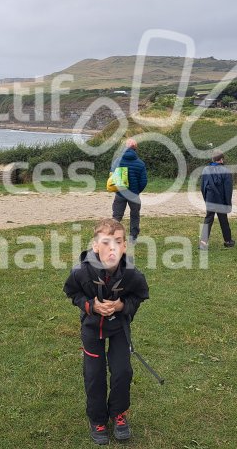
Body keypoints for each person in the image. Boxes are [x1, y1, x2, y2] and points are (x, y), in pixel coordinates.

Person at [63, 218, 150, 445]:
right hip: (92, 330)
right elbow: (72, 293)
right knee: (94, 375)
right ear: (95, 246)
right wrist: (90, 305)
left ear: (124, 247)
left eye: (117, 242)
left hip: (119, 329)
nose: (112, 248)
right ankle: (98, 419)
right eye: (105, 242)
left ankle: (119, 414)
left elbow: (139, 295)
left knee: (122, 372)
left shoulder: (132, 274)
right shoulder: (81, 272)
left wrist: (122, 306)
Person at [110, 139, 148, 242]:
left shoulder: (118, 160)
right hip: (134, 194)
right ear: (135, 148)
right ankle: (133, 237)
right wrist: (137, 191)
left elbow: (112, 175)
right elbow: (144, 181)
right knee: (135, 215)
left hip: (120, 193)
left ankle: (113, 236)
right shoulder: (140, 163)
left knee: (116, 216)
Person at [199, 149, 235, 249]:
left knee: (208, 219)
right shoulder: (226, 171)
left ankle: (203, 242)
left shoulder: (206, 170)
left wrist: (206, 198)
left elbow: (202, 187)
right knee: (223, 220)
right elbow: (228, 190)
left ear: (213, 159)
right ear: (222, 159)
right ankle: (228, 241)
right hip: (221, 200)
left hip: (210, 198)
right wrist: (228, 203)